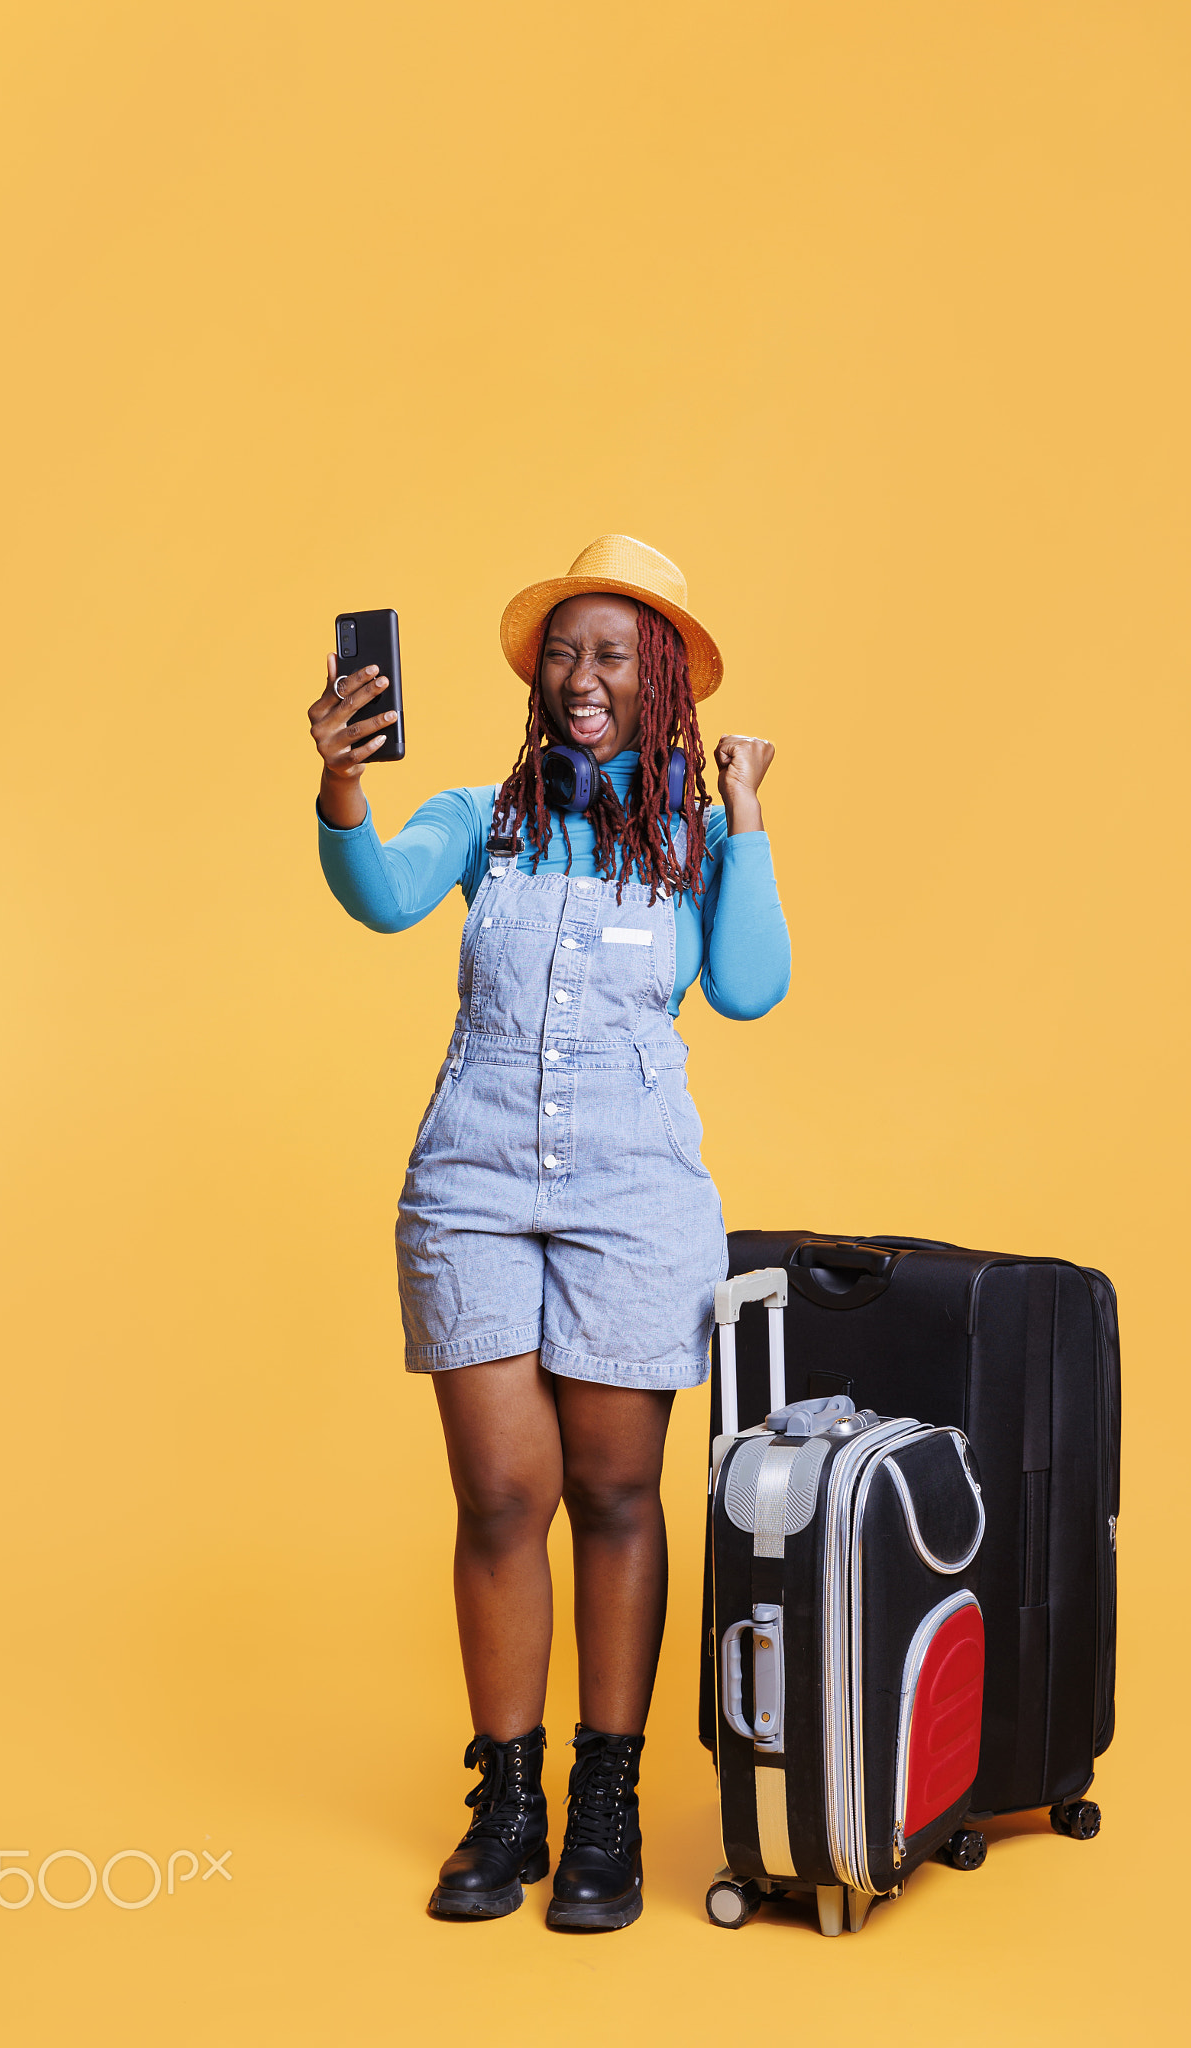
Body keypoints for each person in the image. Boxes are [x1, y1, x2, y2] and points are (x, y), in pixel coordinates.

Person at [308, 535, 790, 1931]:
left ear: (663, 689)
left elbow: (750, 988)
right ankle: (506, 1800)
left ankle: (605, 1800)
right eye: (564, 653)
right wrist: (343, 780)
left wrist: (746, 819)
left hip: (633, 1205)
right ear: (538, 677)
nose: (584, 678)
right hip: (470, 1189)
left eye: (615, 656)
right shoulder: (482, 817)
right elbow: (383, 893)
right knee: (502, 1498)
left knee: (616, 1497)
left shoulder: (697, 843)